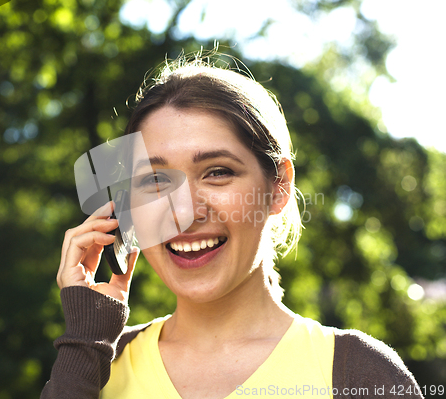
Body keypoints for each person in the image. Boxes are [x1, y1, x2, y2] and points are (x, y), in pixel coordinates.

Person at [41, 53, 424, 399]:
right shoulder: (94, 364)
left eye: (217, 172)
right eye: (155, 181)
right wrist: (84, 343)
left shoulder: (360, 376)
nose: (183, 213)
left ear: (279, 188)